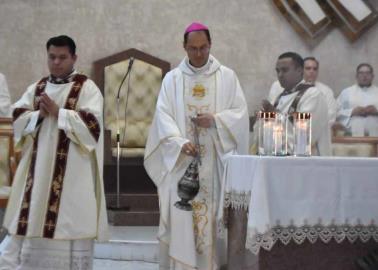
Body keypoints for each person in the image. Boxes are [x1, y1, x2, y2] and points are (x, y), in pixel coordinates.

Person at [144, 22, 249, 270]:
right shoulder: (173, 79)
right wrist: (179, 143)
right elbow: (163, 117)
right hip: (181, 163)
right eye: (193, 48)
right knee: (182, 218)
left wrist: (215, 120)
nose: (199, 53)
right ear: (184, 47)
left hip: (214, 163)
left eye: (203, 48)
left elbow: (240, 114)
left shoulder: (227, 76)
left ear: (210, 45)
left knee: (211, 221)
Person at [0, 35, 108, 270]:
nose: (56, 62)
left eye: (62, 57)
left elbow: (93, 128)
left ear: (74, 57)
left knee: (70, 227)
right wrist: (39, 114)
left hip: (72, 179)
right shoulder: (38, 87)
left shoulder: (86, 88)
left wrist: (60, 113)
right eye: (52, 57)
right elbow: (16, 118)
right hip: (38, 177)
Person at [258, 52, 331, 155]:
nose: (280, 75)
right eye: (278, 71)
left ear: (300, 71)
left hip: (308, 162)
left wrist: (274, 114)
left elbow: (305, 136)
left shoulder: (312, 95)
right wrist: (263, 119)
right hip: (280, 159)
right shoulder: (280, 97)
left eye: (285, 70)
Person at [336, 63, 378, 136]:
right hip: (352, 134)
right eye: (361, 73)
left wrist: (376, 111)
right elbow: (336, 112)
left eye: (368, 73)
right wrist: (352, 112)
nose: (364, 76)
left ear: (372, 76)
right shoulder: (346, 92)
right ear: (356, 76)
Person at [303, 57, 337, 124]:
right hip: (298, 129)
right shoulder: (293, 89)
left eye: (315, 69)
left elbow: (332, 113)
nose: (311, 71)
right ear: (301, 70)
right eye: (308, 68)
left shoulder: (326, 91)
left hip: (320, 129)